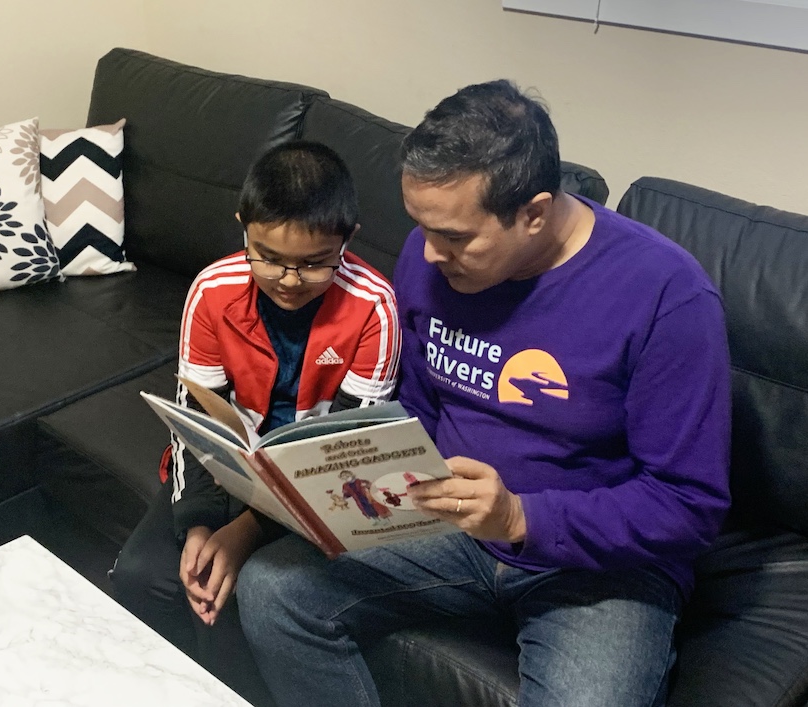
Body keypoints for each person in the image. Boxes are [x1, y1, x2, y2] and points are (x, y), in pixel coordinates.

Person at [234, 80, 731, 707]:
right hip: (446, 524)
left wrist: (523, 518)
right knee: (274, 589)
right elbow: (418, 405)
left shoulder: (667, 297)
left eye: (456, 237)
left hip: (594, 567)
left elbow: (690, 504)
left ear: (534, 213)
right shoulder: (431, 254)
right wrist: (339, 475)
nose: (428, 252)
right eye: (420, 226)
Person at [110, 140, 400, 663]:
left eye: (314, 264)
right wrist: (198, 523)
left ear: (347, 240)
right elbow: (192, 423)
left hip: (314, 488)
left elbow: (349, 461)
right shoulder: (213, 291)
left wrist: (244, 535)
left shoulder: (374, 307)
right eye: (267, 258)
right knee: (140, 576)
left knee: (237, 604)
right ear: (243, 225)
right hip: (226, 466)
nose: (289, 281)